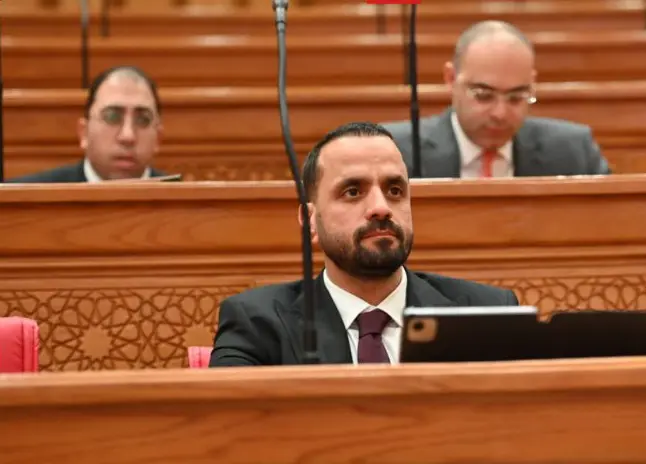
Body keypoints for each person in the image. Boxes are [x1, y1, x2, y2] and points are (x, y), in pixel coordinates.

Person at [209, 121, 519, 367]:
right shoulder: (258, 323)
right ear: (311, 220)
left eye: (394, 190)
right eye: (353, 192)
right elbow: (227, 423)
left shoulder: (488, 314)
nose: (381, 208)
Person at [382, 20, 610, 179]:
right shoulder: (393, 151)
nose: (500, 113)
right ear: (451, 79)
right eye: (483, 96)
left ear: (532, 84)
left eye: (516, 97)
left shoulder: (574, 152)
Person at [7, 65, 170, 183]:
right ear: (84, 133)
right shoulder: (19, 202)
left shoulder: (184, 204)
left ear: (158, 138)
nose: (127, 136)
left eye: (143, 120)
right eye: (112, 117)